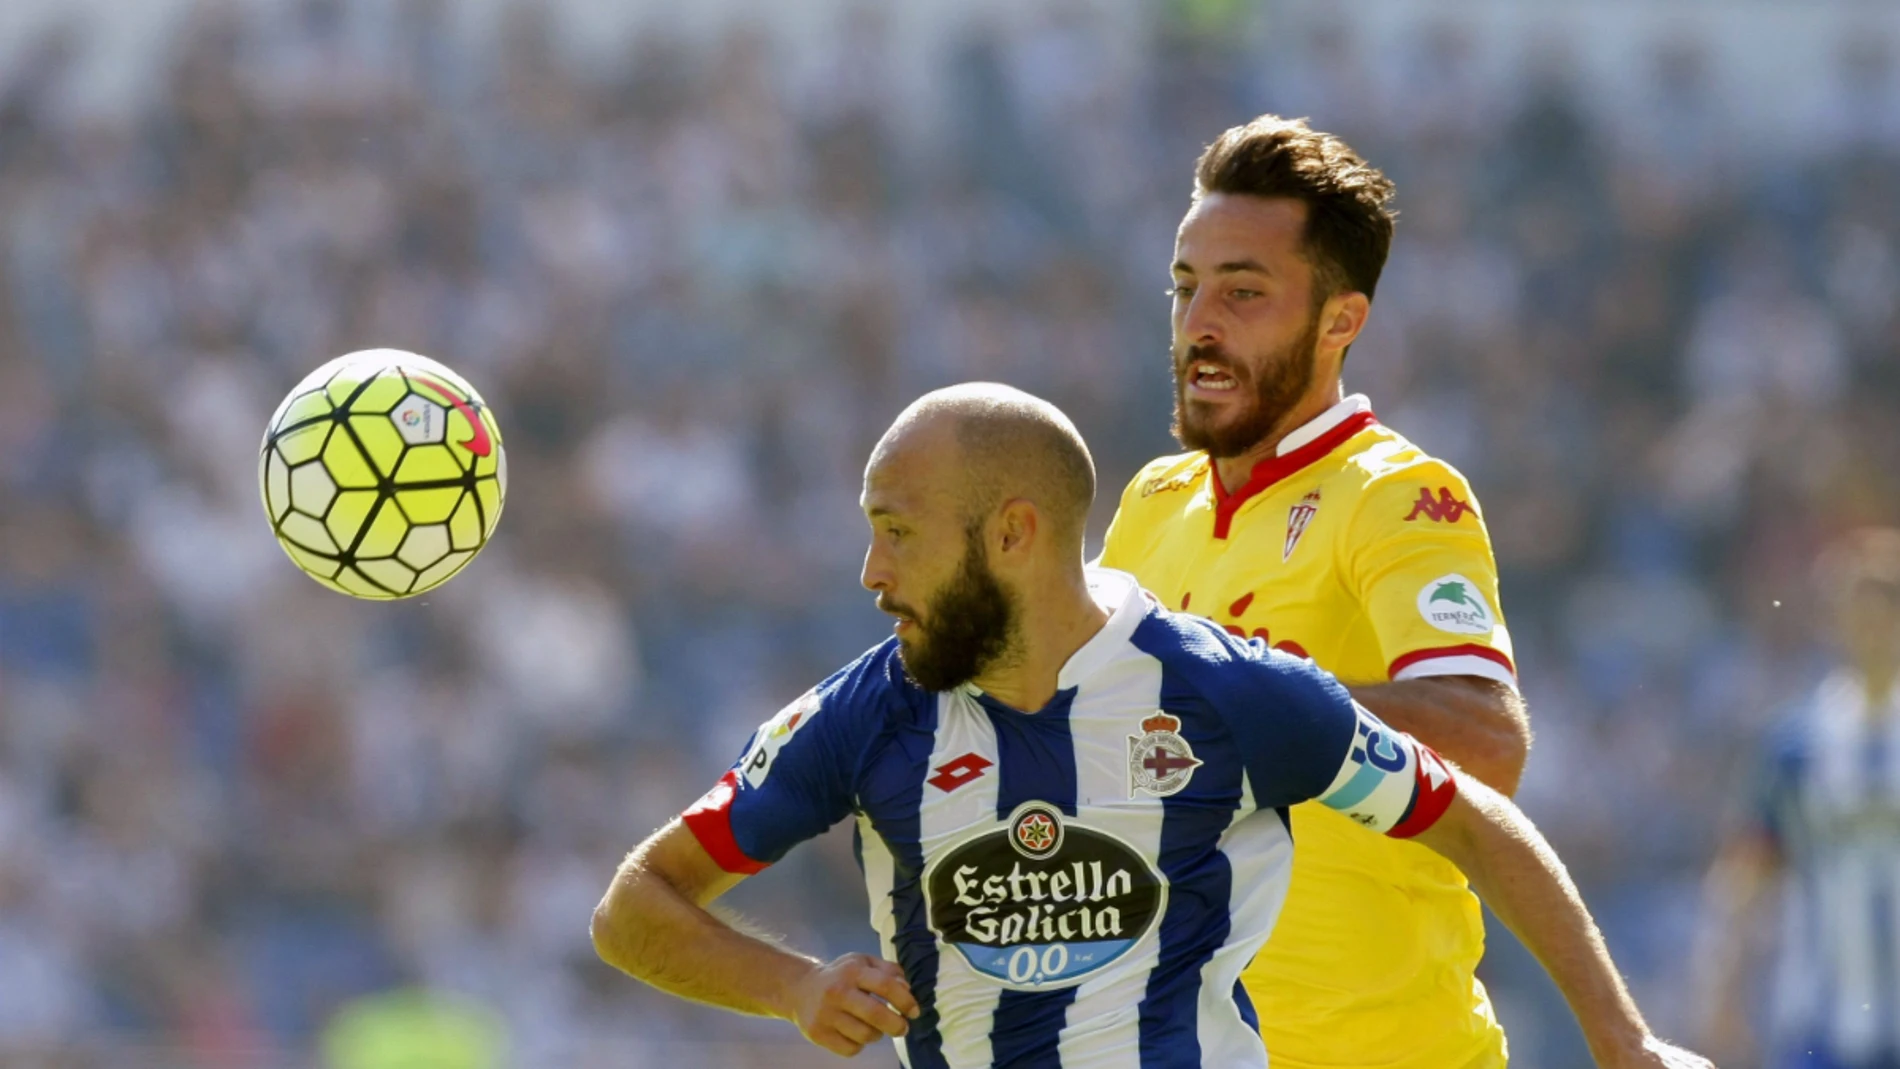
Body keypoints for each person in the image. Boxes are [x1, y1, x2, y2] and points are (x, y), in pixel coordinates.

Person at [590, 383, 1709, 1069]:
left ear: (1013, 534)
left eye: (899, 532)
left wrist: (1623, 1041)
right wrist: (792, 987)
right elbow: (636, 904)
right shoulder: (865, 712)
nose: (871, 571)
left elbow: (1469, 815)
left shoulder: (1225, 691)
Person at [1095, 114, 1528, 1068]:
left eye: (1243, 291)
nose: (1199, 324)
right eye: (1185, 286)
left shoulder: (1398, 495)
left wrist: (1251, 701)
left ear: (1342, 321)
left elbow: (1488, 741)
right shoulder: (1151, 502)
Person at [1692, 530, 1900, 1069]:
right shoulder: (1798, 743)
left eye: (1882, 611)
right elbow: (1747, 869)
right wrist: (1722, 981)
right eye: (1857, 611)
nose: (1870, 627)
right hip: (1820, 1017)